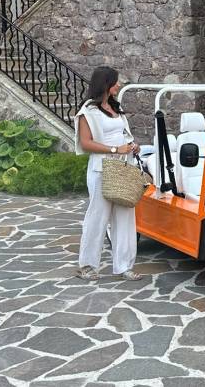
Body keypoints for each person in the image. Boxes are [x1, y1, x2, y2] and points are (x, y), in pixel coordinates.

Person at [74, 66, 142, 281]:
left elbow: (123, 134)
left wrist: (132, 145)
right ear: (106, 84)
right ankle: (87, 265)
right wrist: (114, 150)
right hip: (101, 169)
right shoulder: (88, 111)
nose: (119, 85)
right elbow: (85, 143)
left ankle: (124, 266)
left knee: (125, 217)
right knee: (97, 217)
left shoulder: (116, 108)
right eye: (116, 82)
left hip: (123, 168)